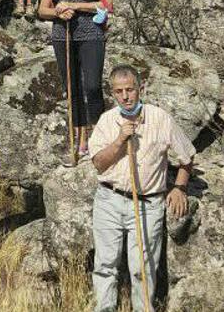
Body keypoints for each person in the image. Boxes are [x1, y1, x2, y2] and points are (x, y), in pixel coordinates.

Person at [90, 65, 195, 312]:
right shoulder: (107, 121)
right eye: (119, 91)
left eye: (130, 90)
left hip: (148, 203)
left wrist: (179, 187)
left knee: (142, 269)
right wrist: (120, 140)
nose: (125, 97)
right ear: (113, 93)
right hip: (109, 199)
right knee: (105, 265)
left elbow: (187, 157)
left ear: (141, 89)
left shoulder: (160, 118)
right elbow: (98, 164)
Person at [37, 0, 114, 165]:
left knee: (91, 86)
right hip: (63, 36)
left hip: (91, 35)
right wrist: (57, 12)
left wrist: (76, 5)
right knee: (72, 90)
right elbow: (42, 9)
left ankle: (98, 137)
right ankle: (79, 141)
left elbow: (107, 4)